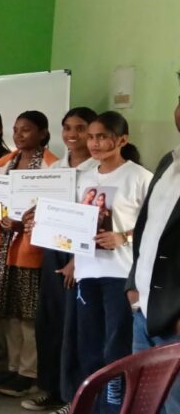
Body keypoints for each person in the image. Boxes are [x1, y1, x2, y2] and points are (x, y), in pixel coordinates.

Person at [56, 111, 149, 414]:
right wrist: (72, 259)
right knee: (89, 347)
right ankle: (88, 406)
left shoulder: (139, 177)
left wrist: (124, 237)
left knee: (116, 348)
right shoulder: (84, 176)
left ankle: (114, 407)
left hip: (120, 274)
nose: (94, 143)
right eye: (91, 136)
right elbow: (73, 222)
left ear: (121, 140)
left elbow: (156, 224)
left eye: (102, 136)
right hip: (87, 273)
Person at [22, 106, 98, 413]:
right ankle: (50, 388)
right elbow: (42, 209)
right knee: (48, 322)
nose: (72, 134)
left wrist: (76, 262)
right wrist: (29, 218)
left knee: (74, 328)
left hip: (82, 257)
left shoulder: (99, 172)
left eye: (81, 128)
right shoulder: (53, 170)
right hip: (52, 251)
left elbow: (96, 220)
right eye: (68, 127)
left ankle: (74, 395)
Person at [0, 110, 58, 397]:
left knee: (29, 315)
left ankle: (30, 371)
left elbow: (53, 209)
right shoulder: (4, 163)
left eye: (26, 129)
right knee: (8, 311)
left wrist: (22, 224)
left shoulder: (52, 167)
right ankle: (13, 367)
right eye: (15, 129)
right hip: (3, 247)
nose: (19, 134)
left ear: (42, 133)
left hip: (31, 250)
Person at [127, 96, 180, 414]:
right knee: (143, 404)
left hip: (175, 323)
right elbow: (147, 229)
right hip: (143, 312)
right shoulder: (168, 162)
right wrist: (132, 285)